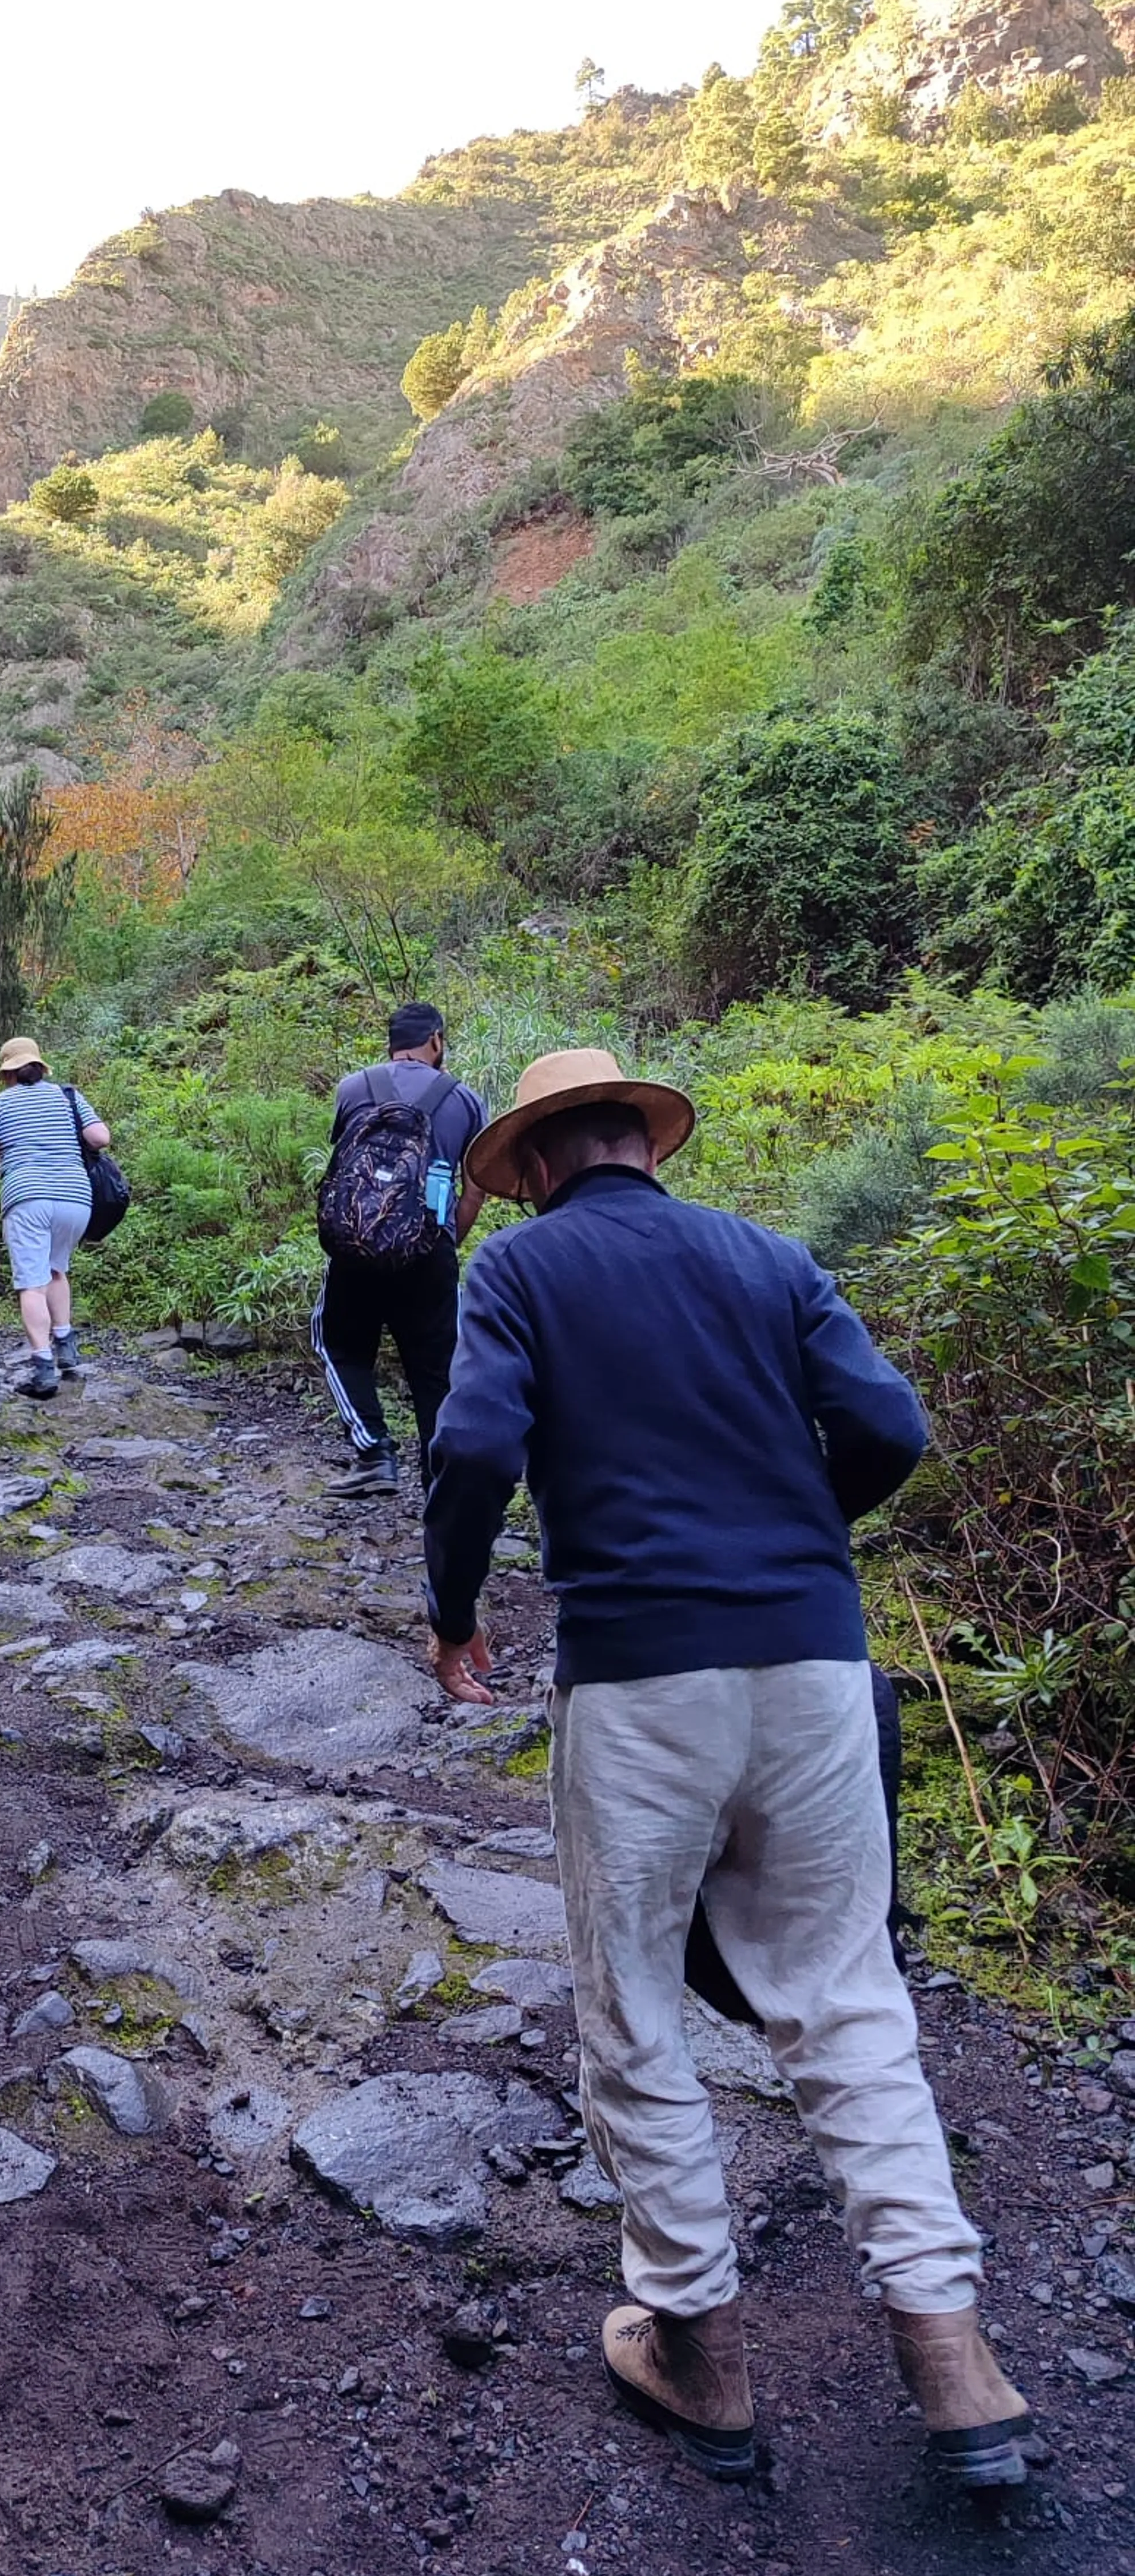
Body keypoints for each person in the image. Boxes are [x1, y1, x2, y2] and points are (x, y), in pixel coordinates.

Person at [420, 1047, 1029, 2493]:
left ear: (538, 1164)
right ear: (644, 1140)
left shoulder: (518, 1277)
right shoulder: (768, 1256)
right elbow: (889, 1427)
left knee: (632, 2000)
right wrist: (799, 1538)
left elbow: (472, 1446)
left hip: (639, 1676)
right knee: (843, 1991)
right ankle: (952, 2360)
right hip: (814, 1662)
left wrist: (453, 1613)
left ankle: (699, 2352)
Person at [313, 1001, 488, 1501]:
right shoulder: (466, 1100)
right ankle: (441, 1486)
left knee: (340, 1345)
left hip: (356, 1246)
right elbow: (476, 1185)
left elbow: (344, 1169)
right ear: (436, 1040)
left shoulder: (354, 1088)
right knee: (437, 1367)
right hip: (430, 1248)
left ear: (392, 1043)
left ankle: (373, 1454)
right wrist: (450, 1233)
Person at [0, 1034, 110, 1400]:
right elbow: (100, 1137)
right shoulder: (68, 1096)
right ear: (40, 1067)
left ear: (8, 1073)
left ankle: (44, 1369)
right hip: (76, 1198)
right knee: (56, 1270)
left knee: (32, 1283)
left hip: (29, 1198)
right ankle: (68, 1351)